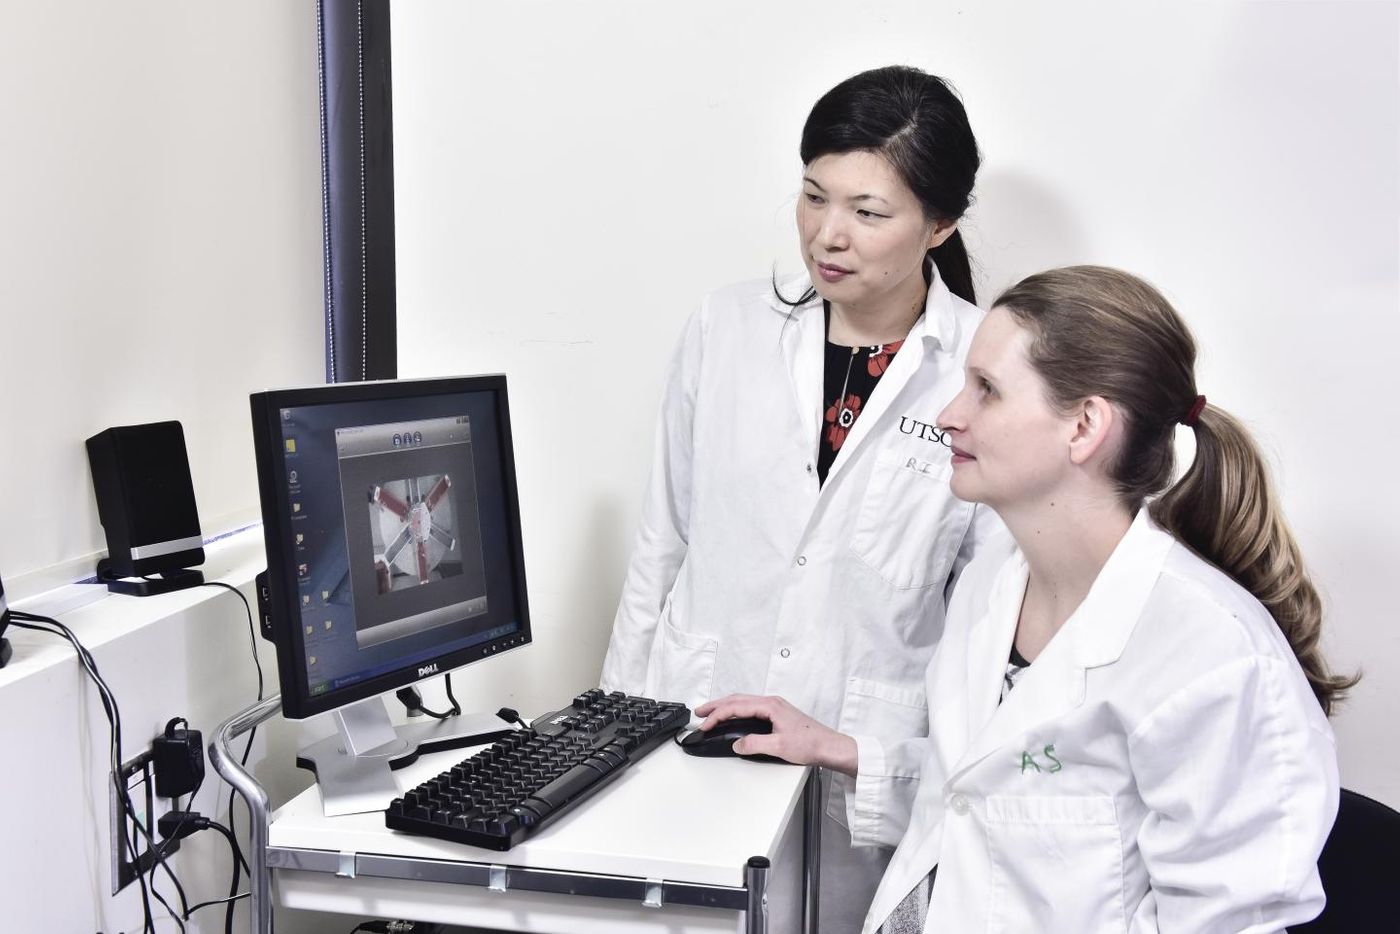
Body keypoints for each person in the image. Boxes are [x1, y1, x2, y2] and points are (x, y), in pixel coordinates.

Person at [698, 266, 1350, 933]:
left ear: (1084, 427)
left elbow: (1227, 920)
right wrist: (842, 749)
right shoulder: (994, 582)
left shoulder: (1215, 660)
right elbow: (983, 796)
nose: (950, 416)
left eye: (987, 391)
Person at [599, 66, 1001, 929]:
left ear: (940, 226)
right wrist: (613, 733)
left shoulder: (984, 367)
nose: (828, 235)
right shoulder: (726, 328)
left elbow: (988, 620)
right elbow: (661, 545)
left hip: (865, 776)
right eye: (814, 196)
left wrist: (911, 764)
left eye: (867, 212)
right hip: (696, 733)